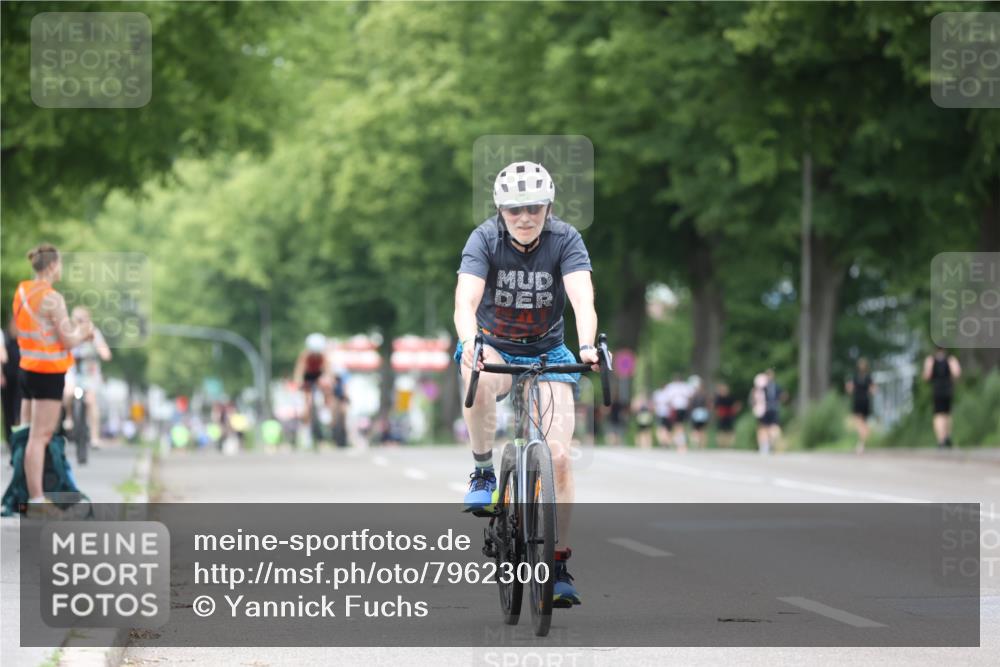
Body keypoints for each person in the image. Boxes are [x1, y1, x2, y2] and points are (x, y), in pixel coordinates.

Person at [454, 160, 597, 608]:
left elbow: (582, 299)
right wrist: (470, 344)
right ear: (501, 210)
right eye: (514, 209)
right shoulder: (484, 239)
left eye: (534, 207)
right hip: (494, 345)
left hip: (547, 351)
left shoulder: (566, 239)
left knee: (560, 458)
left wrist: (587, 346)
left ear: (548, 207)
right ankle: (483, 470)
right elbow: (465, 302)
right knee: (475, 372)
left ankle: (557, 565)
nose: (524, 217)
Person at [13, 244, 94, 515]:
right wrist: (85, 332)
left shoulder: (22, 291)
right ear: (51, 266)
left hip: (27, 369)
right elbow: (68, 340)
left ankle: (23, 494)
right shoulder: (53, 298)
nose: (61, 268)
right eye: (59, 263)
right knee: (40, 436)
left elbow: (41, 330)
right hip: (47, 372)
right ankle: (36, 500)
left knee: (26, 434)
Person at [64, 307, 112, 449]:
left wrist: (101, 350)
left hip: (89, 372)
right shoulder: (69, 332)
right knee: (68, 393)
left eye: (82, 319)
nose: (79, 322)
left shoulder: (94, 333)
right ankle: (69, 416)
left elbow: (105, 352)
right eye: (77, 319)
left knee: (91, 401)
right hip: (73, 370)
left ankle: (95, 437)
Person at [293, 333, 333, 434]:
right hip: (308, 377)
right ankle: (306, 426)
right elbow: (299, 371)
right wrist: (298, 383)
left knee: (327, 388)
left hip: (318, 376)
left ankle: (326, 408)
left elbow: (328, 371)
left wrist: (328, 381)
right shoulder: (305, 356)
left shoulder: (324, 356)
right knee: (308, 402)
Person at [922, 346, 961, 449]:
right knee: (947, 414)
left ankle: (941, 440)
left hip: (937, 389)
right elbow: (957, 373)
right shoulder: (951, 359)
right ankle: (947, 436)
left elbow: (927, 376)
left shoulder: (930, 360)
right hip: (948, 389)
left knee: (938, 415)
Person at [845, 358, 875, 454]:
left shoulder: (856, 377)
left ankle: (861, 443)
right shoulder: (868, 377)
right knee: (863, 423)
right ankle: (862, 442)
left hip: (858, 401)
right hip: (865, 401)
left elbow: (850, 390)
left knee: (859, 422)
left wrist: (849, 388)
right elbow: (873, 390)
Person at [751, 369, 783, 454]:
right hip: (766, 409)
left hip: (768, 409)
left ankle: (768, 445)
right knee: (765, 428)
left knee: (769, 428)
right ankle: (766, 445)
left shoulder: (766, 385)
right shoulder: (770, 386)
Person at [2, 319, 22, 445]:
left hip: (20, 379)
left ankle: (18, 436)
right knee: (7, 408)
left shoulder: (22, 340)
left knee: (18, 408)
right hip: (7, 378)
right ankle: (9, 437)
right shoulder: (5, 338)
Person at [662, 374, 692, 452]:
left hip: (677, 408)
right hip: (680, 408)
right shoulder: (684, 386)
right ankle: (679, 443)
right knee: (679, 427)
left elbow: (667, 399)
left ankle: (678, 443)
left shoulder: (671, 387)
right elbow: (689, 397)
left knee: (678, 427)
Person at [712, 382, 740, 448]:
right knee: (720, 431)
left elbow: (737, 404)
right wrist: (717, 413)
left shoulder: (731, 397)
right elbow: (715, 407)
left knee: (730, 430)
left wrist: (735, 411)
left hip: (729, 415)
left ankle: (729, 444)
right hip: (721, 416)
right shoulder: (718, 398)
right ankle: (721, 445)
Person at [688, 376, 710, 449]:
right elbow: (708, 404)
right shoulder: (705, 394)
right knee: (702, 429)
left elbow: (690, 404)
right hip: (702, 412)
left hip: (697, 412)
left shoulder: (694, 395)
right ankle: (702, 445)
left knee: (696, 429)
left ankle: (697, 443)